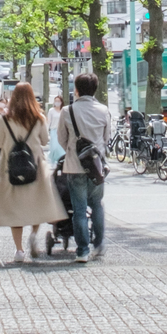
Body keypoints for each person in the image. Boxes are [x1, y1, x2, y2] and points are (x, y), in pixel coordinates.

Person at [0, 82, 64, 262]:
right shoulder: (39, 118)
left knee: (16, 208)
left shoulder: (4, 119)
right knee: (36, 204)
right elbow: (45, 140)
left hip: (11, 169)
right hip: (35, 167)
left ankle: (19, 250)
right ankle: (33, 234)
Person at [53, 73, 112, 262]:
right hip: (96, 167)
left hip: (74, 166)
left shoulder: (67, 111)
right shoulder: (104, 110)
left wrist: (73, 152)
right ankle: (100, 244)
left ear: (76, 90)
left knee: (78, 209)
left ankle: (82, 251)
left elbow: (61, 138)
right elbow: (106, 139)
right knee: (97, 204)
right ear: (95, 89)